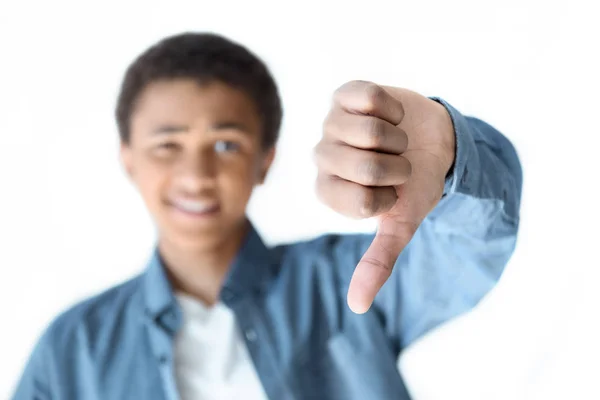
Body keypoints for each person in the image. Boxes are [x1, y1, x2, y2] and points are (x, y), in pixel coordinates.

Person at [12, 32, 522, 400]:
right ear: (128, 159)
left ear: (265, 160)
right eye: (168, 144)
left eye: (227, 143)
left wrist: (452, 150)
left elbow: (469, 248)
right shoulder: (72, 352)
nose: (197, 174)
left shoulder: (342, 282)